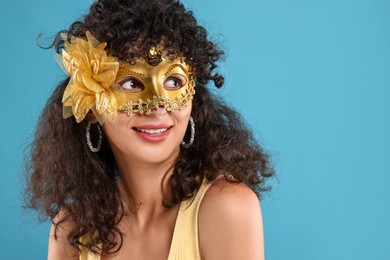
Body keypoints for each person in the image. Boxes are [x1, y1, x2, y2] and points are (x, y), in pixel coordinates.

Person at [25, 0, 274, 259]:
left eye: (173, 81)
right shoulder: (72, 230)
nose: (157, 106)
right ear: (90, 107)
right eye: (132, 82)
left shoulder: (227, 208)